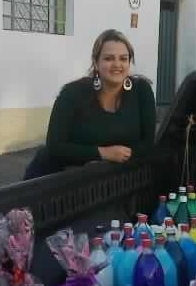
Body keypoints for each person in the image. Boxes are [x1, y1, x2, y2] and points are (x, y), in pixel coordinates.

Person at [24, 29, 157, 179]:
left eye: (123, 58)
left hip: (108, 180)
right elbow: (55, 146)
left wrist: (119, 158)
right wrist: (103, 153)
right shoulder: (72, 94)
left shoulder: (141, 91)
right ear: (96, 62)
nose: (117, 64)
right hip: (55, 179)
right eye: (109, 58)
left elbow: (147, 143)